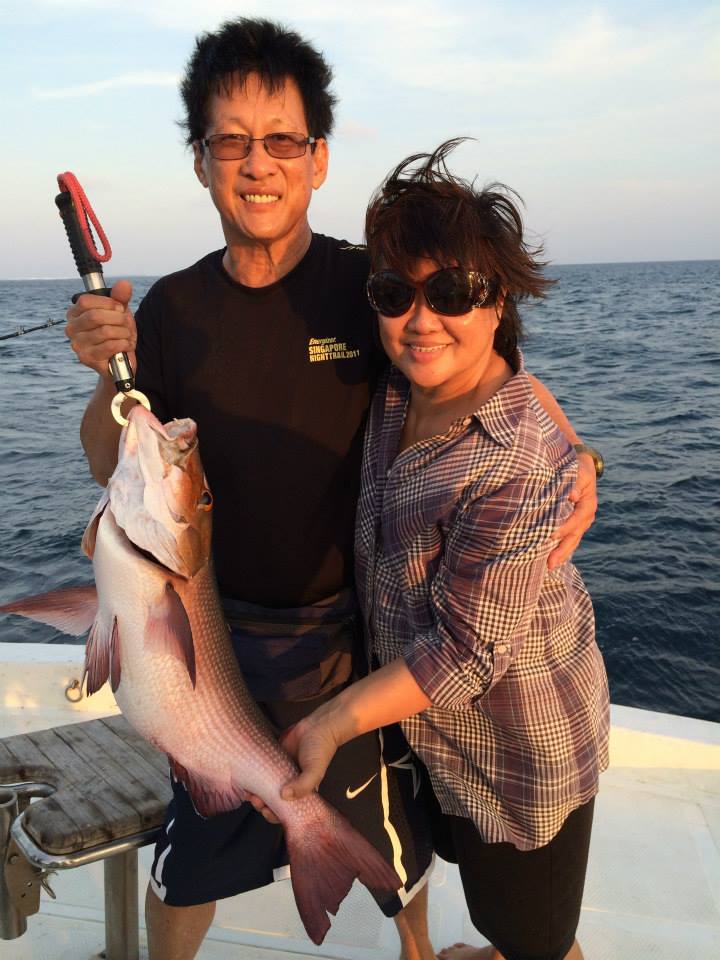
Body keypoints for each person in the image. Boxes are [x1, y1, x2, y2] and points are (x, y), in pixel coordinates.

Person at [64, 19, 601, 960]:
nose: (257, 163)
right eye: (230, 140)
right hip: (212, 629)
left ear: (317, 158)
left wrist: (574, 451)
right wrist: (104, 372)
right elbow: (112, 459)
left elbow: (477, 364)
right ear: (200, 161)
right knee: (188, 856)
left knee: (397, 852)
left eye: (283, 140)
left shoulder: (372, 288)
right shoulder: (174, 311)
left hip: (349, 642)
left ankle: (419, 953)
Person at [274, 141, 611, 960]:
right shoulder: (397, 391)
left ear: (499, 301)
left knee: (534, 937)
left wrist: (326, 724)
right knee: (463, 887)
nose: (422, 319)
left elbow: (464, 656)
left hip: (517, 753)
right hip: (430, 739)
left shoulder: (519, 460)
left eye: (453, 292)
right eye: (396, 294)